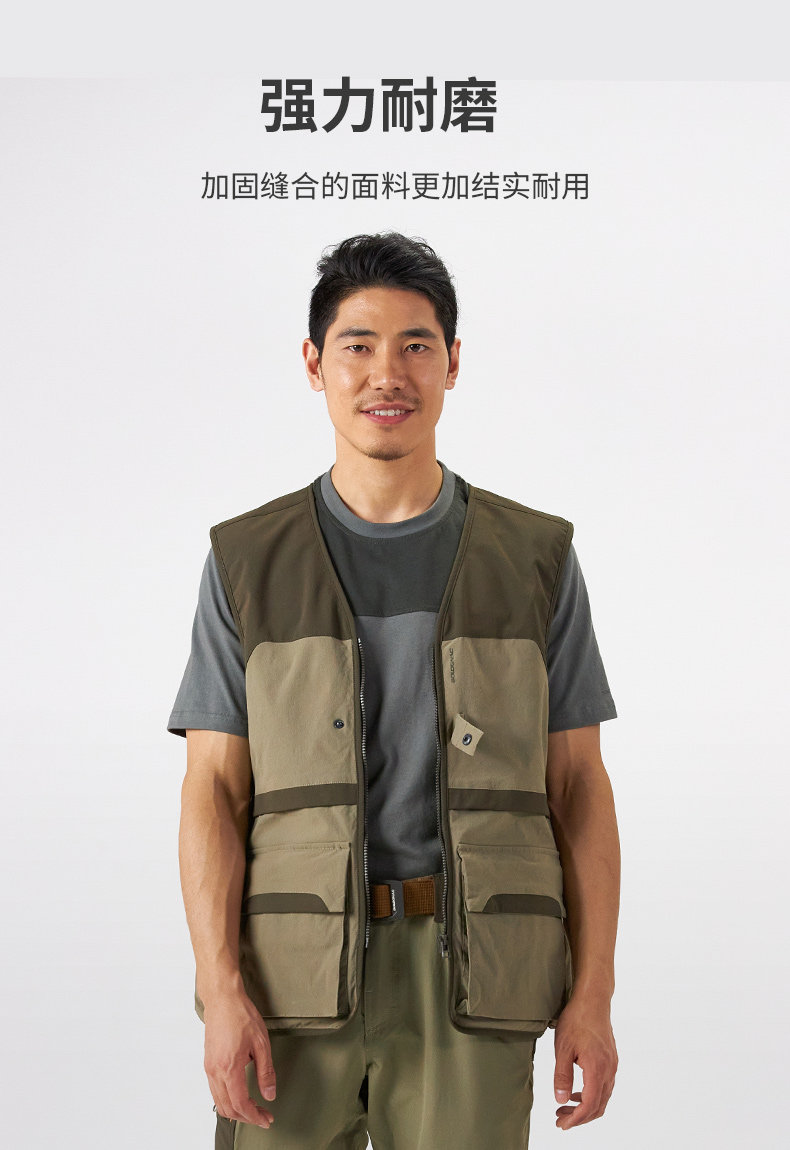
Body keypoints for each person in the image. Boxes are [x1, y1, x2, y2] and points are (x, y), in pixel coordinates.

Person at [168, 232, 620, 1149]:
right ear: (314, 364)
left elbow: (579, 788)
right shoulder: (246, 560)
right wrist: (220, 989)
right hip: (292, 978)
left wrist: (594, 995)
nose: (388, 374)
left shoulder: (536, 557)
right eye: (358, 345)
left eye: (416, 345)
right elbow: (213, 791)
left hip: (478, 976)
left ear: (453, 363)